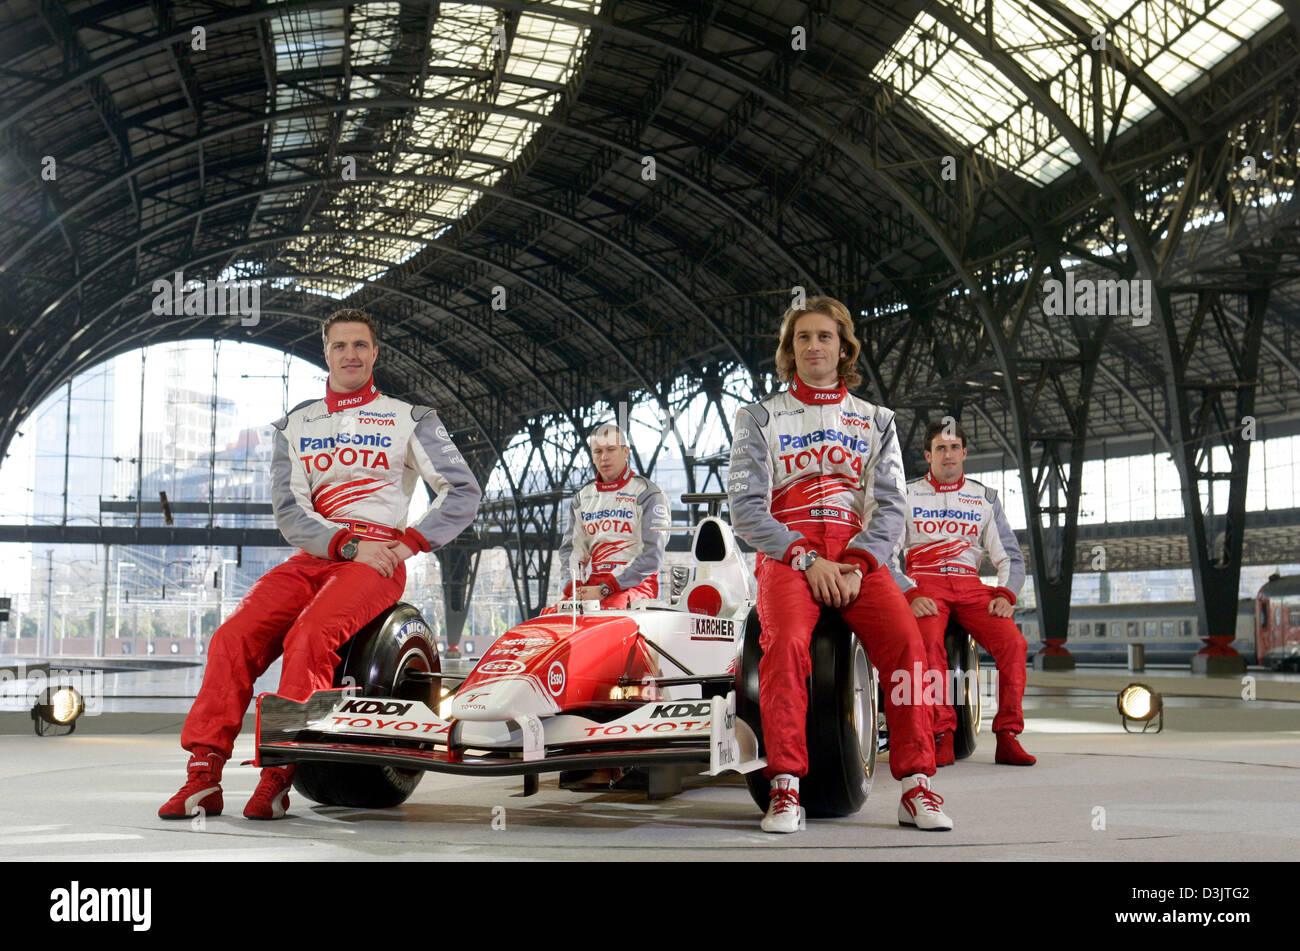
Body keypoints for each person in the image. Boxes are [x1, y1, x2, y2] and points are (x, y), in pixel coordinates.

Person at [159, 309, 481, 820]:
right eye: (339, 346)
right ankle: (203, 775)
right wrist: (342, 545)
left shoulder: (411, 418)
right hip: (317, 553)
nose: (350, 354)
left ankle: (279, 775)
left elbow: (462, 491)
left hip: (377, 559)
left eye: (360, 345)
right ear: (326, 353)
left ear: (375, 353)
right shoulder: (294, 425)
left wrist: (410, 542)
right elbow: (290, 512)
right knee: (232, 637)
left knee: (309, 637)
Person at [728, 296, 952, 834]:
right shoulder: (757, 417)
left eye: (824, 336)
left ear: (843, 347)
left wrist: (855, 563)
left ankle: (917, 784)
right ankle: (785, 788)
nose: (813, 347)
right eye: (802, 337)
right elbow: (746, 509)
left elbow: (893, 506)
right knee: (783, 647)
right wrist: (805, 558)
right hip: (788, 557)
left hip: (858, 561)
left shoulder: (877, 421)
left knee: (908, 643)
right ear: (789, 350)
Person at [893, 420, 1035, 767]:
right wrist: (909, 594)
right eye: (940, 448)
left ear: (965, 453)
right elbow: (884, 556)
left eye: (955, 447)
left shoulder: (985, 498)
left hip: (971, 586)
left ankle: (1007, 735)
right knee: (926, 645)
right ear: (928, 455)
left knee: (1015, 645)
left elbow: (1011, 557)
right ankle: (942, 734)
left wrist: (1006, 594)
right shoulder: (906, 495)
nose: (949, 454)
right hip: (925, 585)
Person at [553, 422, 670, 609]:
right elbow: (571, 551)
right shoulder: (583, 498)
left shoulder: (649, 494)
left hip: (636, 587)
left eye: (611, 449)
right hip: (592, 588)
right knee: (552, 615)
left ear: (626, 452)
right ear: (592, 456)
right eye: (598, 451)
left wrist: (606, 588)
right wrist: (574, 586)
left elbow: (651, 555)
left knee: (610, 612)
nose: (604, 457)